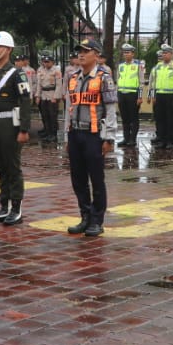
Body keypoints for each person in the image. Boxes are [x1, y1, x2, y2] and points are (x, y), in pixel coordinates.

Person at [64, 38, 117, 237]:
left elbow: (111, 110)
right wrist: (66, 137)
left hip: (94, 135)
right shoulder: (73, 78)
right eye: (79, 51)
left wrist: (109, 138)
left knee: (96, 179)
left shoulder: (104, 78)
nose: (81, 54)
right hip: (75, 134)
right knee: (78, 179)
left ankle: (97, 220)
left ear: (96, 54)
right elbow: (69, 108)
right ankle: (85, 217)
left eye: (86, 51)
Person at [0, 31, 33, 225]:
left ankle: (16, 208)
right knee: (0, 168)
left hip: (10, 124)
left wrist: (24, 129)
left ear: (9, 49)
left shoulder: (17, 73)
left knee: (12, 167)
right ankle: (3, 207)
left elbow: (25, 101)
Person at [114, 44, 144, 147]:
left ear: (133, 54)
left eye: (128, 52)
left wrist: (140, 97)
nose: (126, 54)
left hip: (133, 95)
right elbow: (118, 81)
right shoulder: (121, 66)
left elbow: (141, 82)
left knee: (133, 118)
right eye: (124, 52)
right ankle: (126, 138)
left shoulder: (138, 65)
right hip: (122, 94)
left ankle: (133, 139)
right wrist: (117, 95)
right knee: (124, 118)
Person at [149, 44, 173, 150]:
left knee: (169, 119)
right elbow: (153, 83)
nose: (164, 55)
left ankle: (169, 141)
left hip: (171, 95)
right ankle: (161, 140)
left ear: (171, 54)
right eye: (163, 53)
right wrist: (153, 96)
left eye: (166, 53)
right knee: (160, 119)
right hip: (159, 95)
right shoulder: (158, 66)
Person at [34, 52, 63, 144]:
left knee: (52, 115)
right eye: (45, 62)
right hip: (43, 94)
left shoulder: (56, 71)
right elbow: (39, 84)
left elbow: (59, 85)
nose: (46, 63)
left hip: (52, 94)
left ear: (52, 62)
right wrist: (37, 96)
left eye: (48, 62)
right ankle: (47, 132)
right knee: (45, 115)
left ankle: (53, 134)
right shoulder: (41, 70)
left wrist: (56, 97)